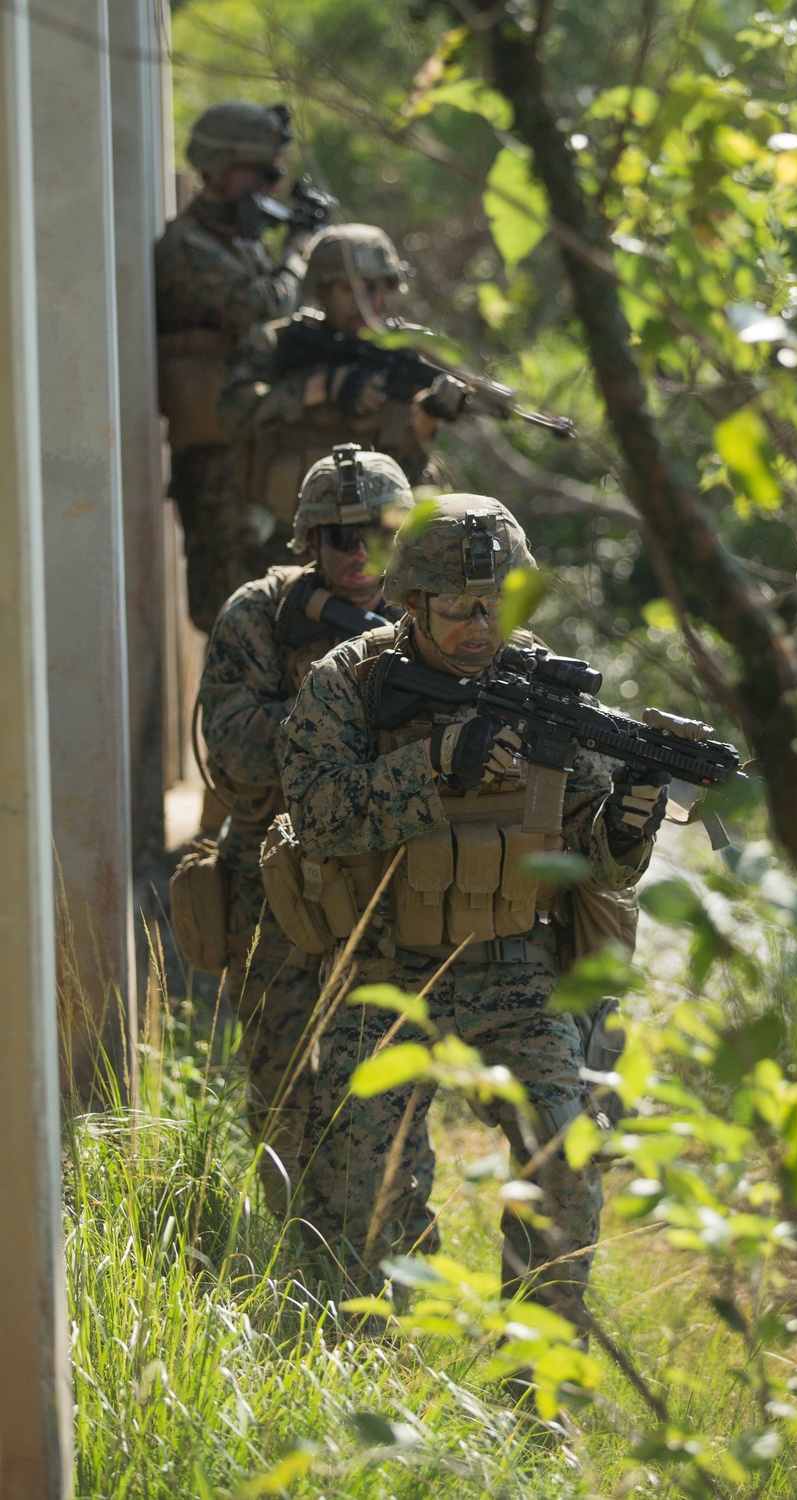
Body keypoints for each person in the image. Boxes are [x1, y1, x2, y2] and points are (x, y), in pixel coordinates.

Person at [280, 496, 669, 1324]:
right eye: (459, 609)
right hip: (384, 967)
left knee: (565, 1156)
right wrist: (434, 765)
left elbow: (590, 857)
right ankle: (376, 1370)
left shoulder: (546, 691)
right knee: (362, 1190)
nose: (480, 625)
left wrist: (627, 829)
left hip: (514, 963)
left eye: (497, 605)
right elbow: (315, 816)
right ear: (412, 603)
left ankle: (537, 1389)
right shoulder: (349, 682)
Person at [198, 445, 416, 1215]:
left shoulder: (433, 616)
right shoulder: (259, 613)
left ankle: (379, 1248)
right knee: (281, 1075)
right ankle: (288, 1243)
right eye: (339, 538)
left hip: (386, 884)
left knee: (386, 1084)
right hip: (274, 876)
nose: (360, 554)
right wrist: (348, 712)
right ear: (309, 544)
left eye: (379, 534)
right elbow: (235, 746)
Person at [219, 223, 475, 561]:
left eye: (376, 289)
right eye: (351, 289)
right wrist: (323, 386)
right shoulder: (277, 344)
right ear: (322, 291)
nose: (367, 303)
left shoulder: (404, 361)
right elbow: (232, 415)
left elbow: (409, 473)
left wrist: (426, 419)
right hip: (277, 544)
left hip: (366, 555)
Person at [156, 100, 315, 632]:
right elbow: (265, 306)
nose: (270, 187)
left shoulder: (238, 245)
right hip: (214, 455)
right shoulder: (189, 247)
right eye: (262, 174)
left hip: (250, 443)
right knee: (228, 605)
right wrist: (297, 249)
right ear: (221, 168)